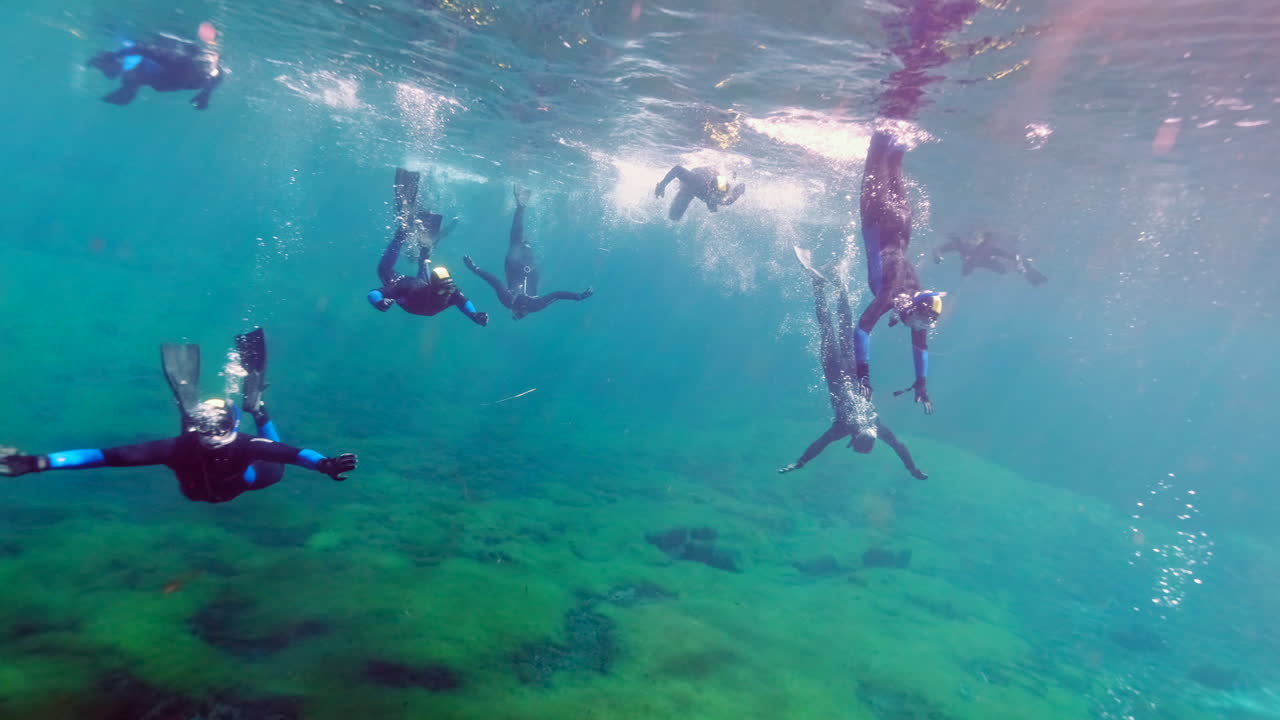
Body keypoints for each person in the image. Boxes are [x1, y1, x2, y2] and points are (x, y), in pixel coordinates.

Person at [0, 329, 358, 504]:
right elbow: (297, 455)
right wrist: (323, 464)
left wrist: (41, 462)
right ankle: (254, 407)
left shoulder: (181, 447)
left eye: (214, 423)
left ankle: (253, 407)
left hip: (219, 481)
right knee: (272, 456)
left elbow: (105, 457)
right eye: (208, 423)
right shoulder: (241, 445)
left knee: (269, 458)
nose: (213, 430)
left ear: (230, 425)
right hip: (234, 482)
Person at [779, 249, 928, 479]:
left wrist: (800, 463)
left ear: (857, 438)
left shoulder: (857, 428)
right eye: (869, 441)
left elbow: (819, 446)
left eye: (864, 440)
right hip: (842, 369)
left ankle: (828, 283)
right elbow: (897, 447)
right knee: (836, 326)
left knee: (835, 325)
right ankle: (829, 283)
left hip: (842, 368)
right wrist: (912, 468)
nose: (868, 436)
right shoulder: (862, 427)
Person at [853, 129, 946, 415]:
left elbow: (921, 346)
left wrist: (921, 383)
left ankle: (901, 120)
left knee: (896, 159)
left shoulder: (916, 300)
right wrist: (863, 375)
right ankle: (889, 117)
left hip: (904, 222)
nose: (920, 328)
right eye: (921, 322)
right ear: (916, 308)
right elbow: (862, 329)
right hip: (879, 219)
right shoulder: (894, 294)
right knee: (877, 151)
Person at [367, 168, 488, 325]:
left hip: (420, 294)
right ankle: (412, 244)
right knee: (389, 271)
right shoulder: (409, 288)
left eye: (450, 290)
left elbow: (463, 302)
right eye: (447, 291)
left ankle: (404, 235)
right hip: (413, 292)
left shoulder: (450, 290)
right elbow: (374, 293)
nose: (449, 295)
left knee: (407, 267)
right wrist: (378, 301)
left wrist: (474, 315)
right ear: (434, 288)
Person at [463, 187, 593, 320]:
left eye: (518, 312)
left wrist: (474, 268)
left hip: (517, 267)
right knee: (519, 242)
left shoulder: (513, 302)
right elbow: (558, 295)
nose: (521, 309)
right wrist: (578, 296)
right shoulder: (529, 304)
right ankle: (521, 208)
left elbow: (496, 282)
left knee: (517, 242)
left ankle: (521, 207)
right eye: (522, 312)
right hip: (524, 268)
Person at [86, 23, 226, 109]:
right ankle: (103, 58)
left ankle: (115, 69)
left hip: (155, 80)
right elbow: (142, 49)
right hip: (142, 72)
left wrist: (205, 95)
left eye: (210, 61)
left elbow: (215, 79)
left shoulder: (215, 74)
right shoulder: (178, 61)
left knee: (122, 79)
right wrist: (115, 56)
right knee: (113, 73)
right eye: (203, 61)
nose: (206, 64)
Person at [934, 231, 1047, 285]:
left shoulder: (985, 248)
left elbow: (1009, 255)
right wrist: (938, 254)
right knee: (1004, 269)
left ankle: (1027, 264)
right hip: (992, 260)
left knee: (1006, 267)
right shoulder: (965, 249)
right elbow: (941, 249)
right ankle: (1027, 267)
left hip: (994, 256)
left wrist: (1019, 263)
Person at [654, 166, 745, 221]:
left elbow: (723, 197)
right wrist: (662, 185)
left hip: (714, 179)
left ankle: (732, 183)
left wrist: (740, 189)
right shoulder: (695, 183)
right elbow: (677, 169)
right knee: (674, 216)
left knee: (722, 201)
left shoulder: (722, 197)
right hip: (700, 179)